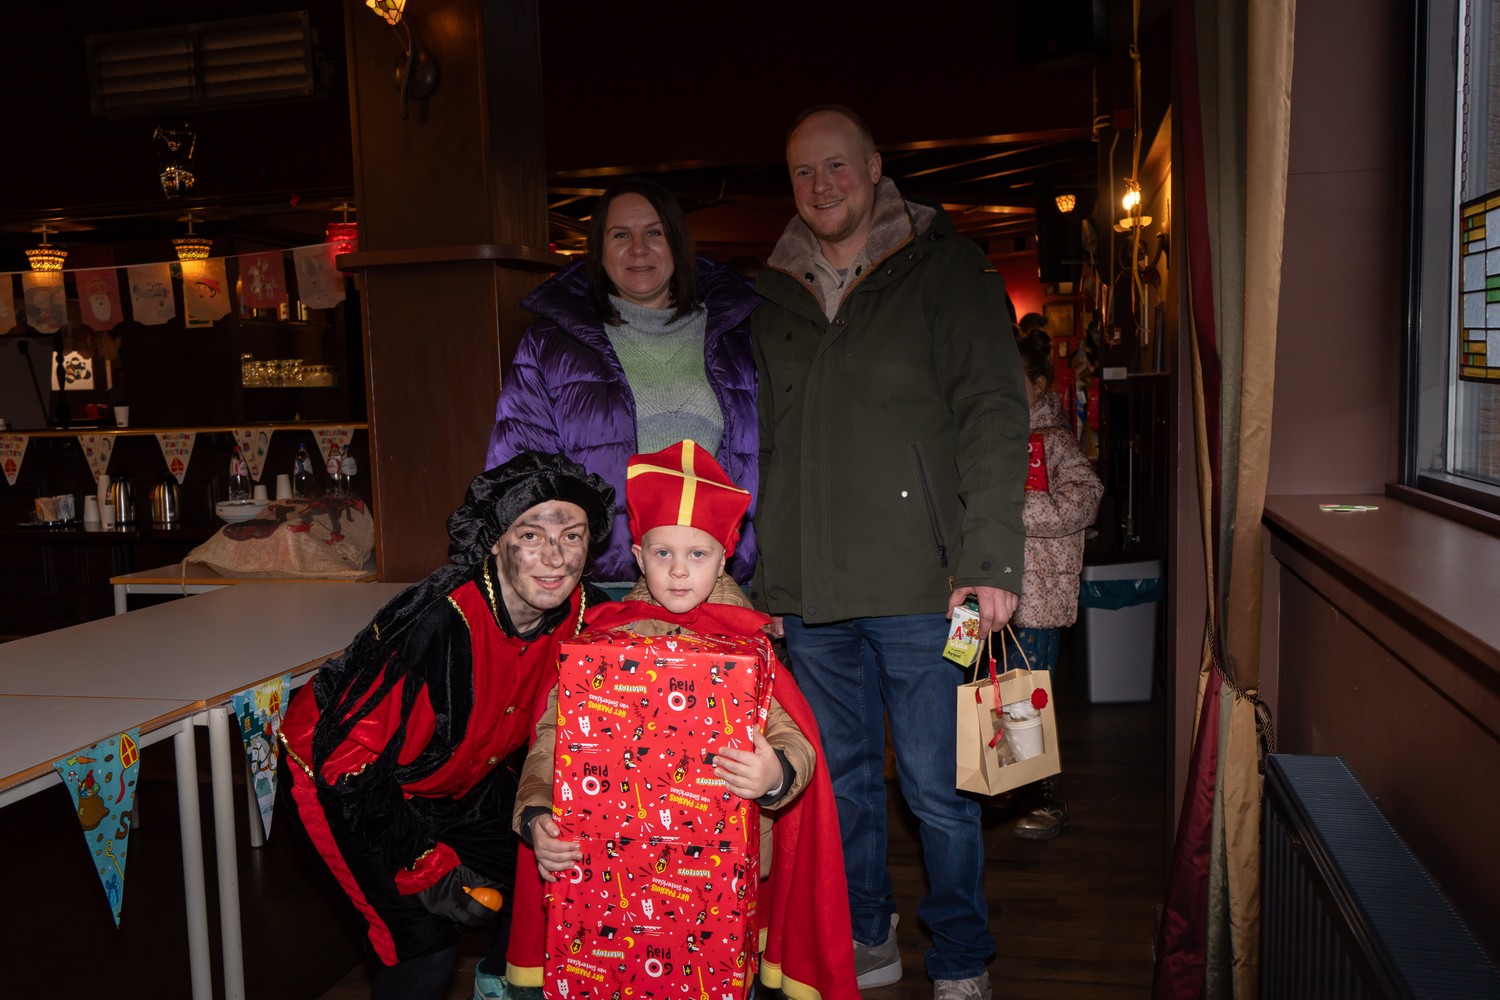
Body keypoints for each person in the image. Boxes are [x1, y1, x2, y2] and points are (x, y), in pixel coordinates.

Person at [751, 105, 1031, 1000]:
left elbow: (995, 414)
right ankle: (867, 933)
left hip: (925, 587)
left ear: (875, 167)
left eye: (836, 166)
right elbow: (758, 444)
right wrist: (758, 581)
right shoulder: (768, 295)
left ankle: (960, 957)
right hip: (808, 595)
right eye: (803, 172)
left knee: (940, 791)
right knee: (838, 784)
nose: (821, 185)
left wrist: (990, 561)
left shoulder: (946, 268)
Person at [505, 440, 860, 1000]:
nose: (677, 570)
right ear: (638, 556)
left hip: (720, 882)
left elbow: (793, 736)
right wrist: (536, 812)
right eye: (662, 552)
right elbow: (553, 738)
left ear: (724, 558)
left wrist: (775, 774)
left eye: (697, 554)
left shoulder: (751, 646)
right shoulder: (601, 640)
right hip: (612, 874)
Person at [277, 452, 615, 1000]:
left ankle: (499, 987)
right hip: (343, 777)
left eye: (571, 537)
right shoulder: (436, 623)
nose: (555, 557)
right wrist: (425, 864)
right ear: (495, 542)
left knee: (551, 879)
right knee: (424, 945)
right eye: (532, 536)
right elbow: (347, 760)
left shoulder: (583, 614)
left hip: (452, 775)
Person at [485, 177, 761, 593]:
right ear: (598, 252)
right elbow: (520, 470)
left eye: (654, 233)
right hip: (604, 585)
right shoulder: (550, 344)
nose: (638, 249)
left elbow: (774, 462)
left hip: (720, 582)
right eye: (620, 235)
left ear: (678, 244)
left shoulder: (738, 336)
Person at [1005, 328, 1103, 839]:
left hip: (1037, 596)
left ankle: (1046, 797)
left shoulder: (1055, 439)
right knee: (991, 690)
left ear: (1039, 383)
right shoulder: (992, 432)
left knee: (1029, 697)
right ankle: (1005, 784)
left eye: (1012, 377)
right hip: (985, 593)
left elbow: (1086, 497)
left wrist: (1009, 512)